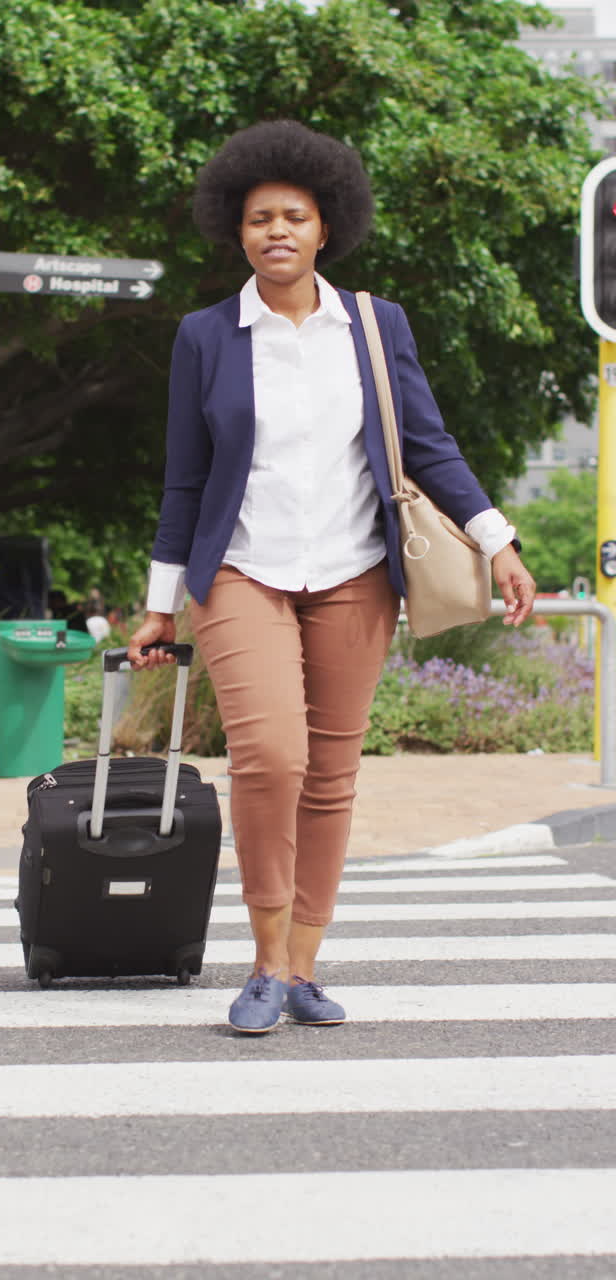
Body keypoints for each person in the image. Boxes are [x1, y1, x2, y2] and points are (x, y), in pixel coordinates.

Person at [128, 120, 535, 1035]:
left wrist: (496, 540)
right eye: (259, 218)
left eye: (294, 217)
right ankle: (265, 963)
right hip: (241, 571)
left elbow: (427, 445)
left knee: (331, 774)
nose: (276, 231)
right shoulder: (206, 337)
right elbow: (184, 481)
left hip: (356, 574)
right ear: (237, 232)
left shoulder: (374, 324)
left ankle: (305, 967)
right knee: (272, 758)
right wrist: (161, 607)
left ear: (325, 228)